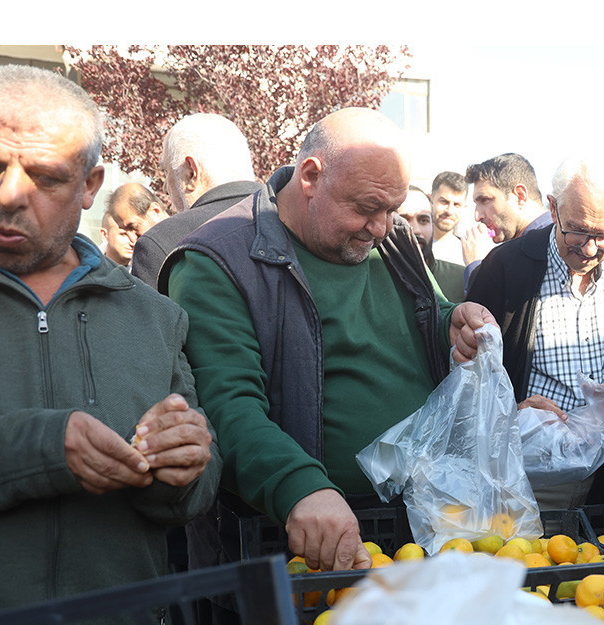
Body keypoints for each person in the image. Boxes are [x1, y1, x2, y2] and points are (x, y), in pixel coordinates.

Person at [0, 64, 220, 625]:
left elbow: (199, 491)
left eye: (45, 177)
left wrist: (187, 466)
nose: (8, 195)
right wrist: (39, 447)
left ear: (90, 184)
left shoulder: (154, 316)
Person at [159, 107, 495, 573]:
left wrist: (450, 324)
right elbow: (225, 406)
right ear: (311, 176)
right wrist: (299, 485)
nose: (381, 228)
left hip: (422, 526)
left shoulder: (393, 239)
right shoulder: (216, 262)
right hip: (298, 545)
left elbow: (428, 314)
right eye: (365, 208)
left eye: (391, 210)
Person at [464, 155, 604, 508]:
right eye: (577, 231)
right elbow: (469, 370)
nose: (590, 248)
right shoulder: (505, 266)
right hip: (529, 470)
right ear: (553, 209)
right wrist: (512, 408)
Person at [130, 113, 260, 290]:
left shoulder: (160, 243)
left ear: (191, 173)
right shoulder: (294, 221)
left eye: (167, 172)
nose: (165, 188)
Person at [462, 153, 553, 291]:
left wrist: (476, 267)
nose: (477, 216)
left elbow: (488, 309)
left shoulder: (551, 245)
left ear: (520, 196)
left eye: (485, 200)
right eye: (476, 203)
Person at [401, 185, 465, 302]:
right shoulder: (371, 276)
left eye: (423, 220)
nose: (416, 230)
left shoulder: (460, 278)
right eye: (404, 220)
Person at [104, 182, 169, 269]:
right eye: (124, 232)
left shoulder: (186, 242)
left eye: (133, 227)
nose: (132, 240)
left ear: (155, 211)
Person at [427, 170, 469, 263]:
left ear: (464, 207)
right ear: (430, 200)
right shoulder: (412, 246)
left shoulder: (469, 255)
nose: (450, 211)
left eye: (457, 204)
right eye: (444, 202)